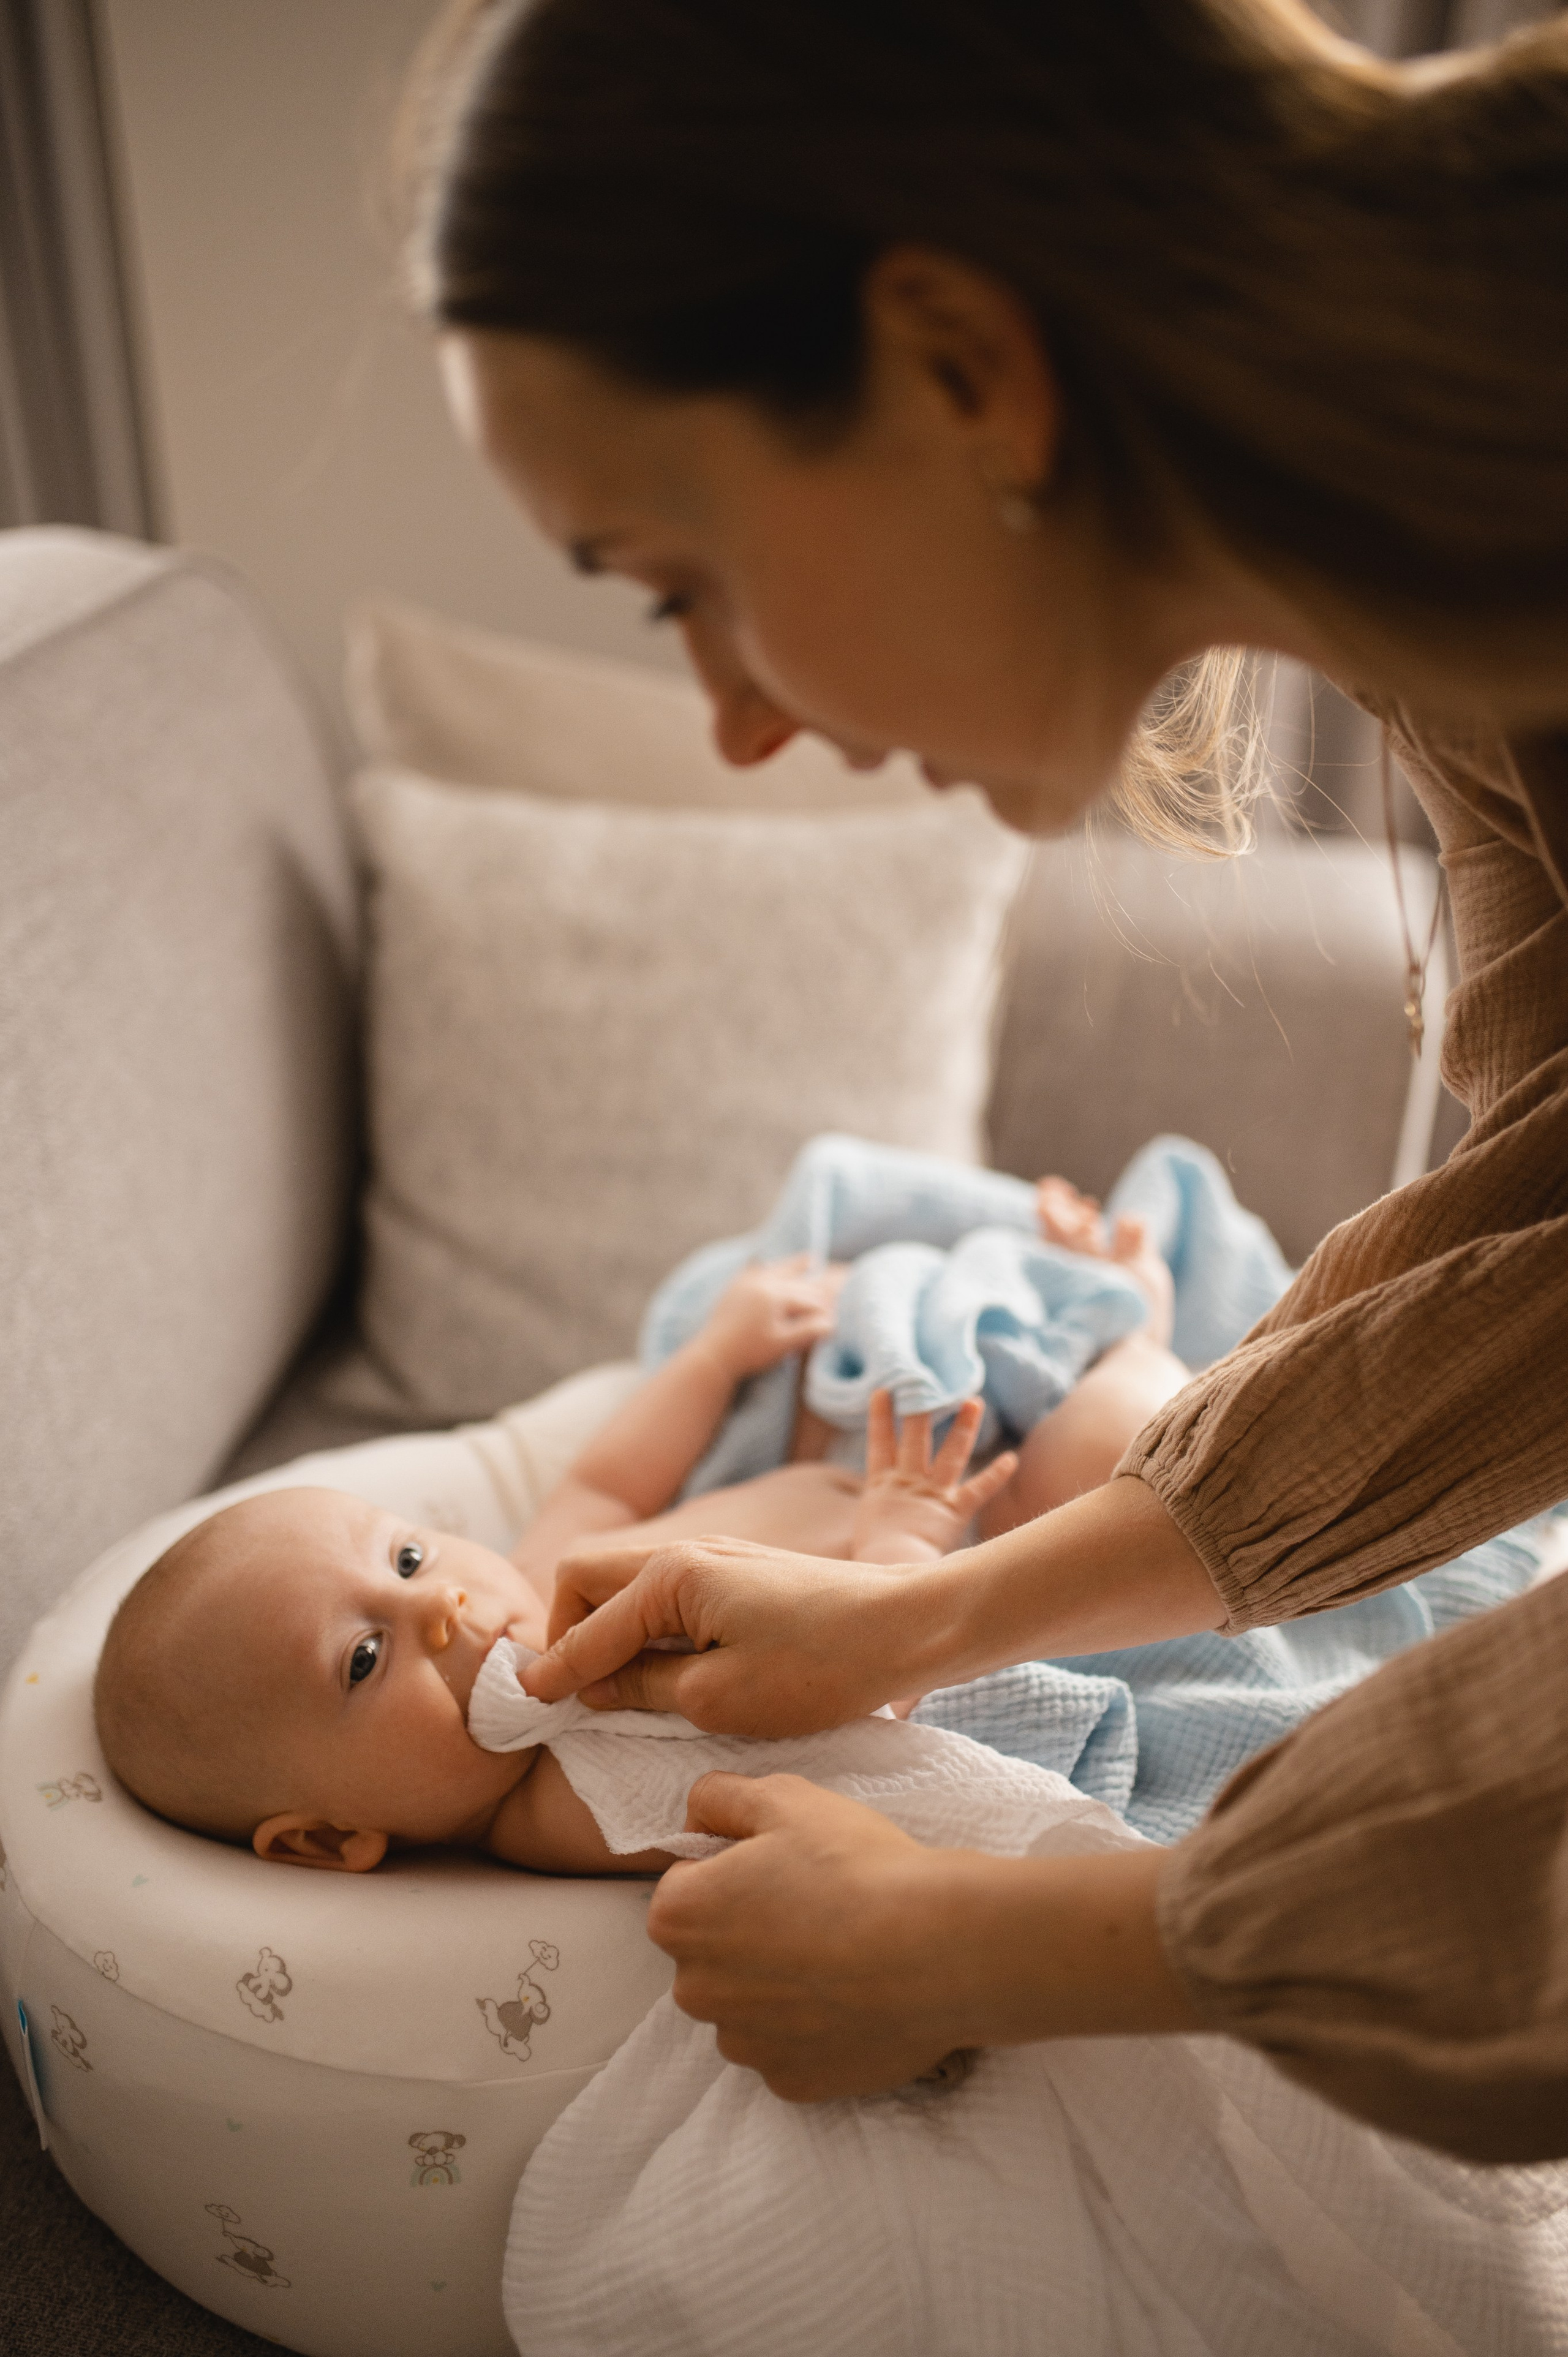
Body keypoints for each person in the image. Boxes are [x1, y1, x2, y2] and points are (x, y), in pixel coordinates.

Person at [402, 0, 1568, 2160]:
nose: (736, 724)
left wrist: (986, 1945)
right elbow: (1544, 1248)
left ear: (962, 371)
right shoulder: (1465, 619)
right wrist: (916, 1617)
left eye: (686, 586)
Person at [93, 1216, 1183, 1874]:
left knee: (867, 1326)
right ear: (332, 1839)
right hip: (965, 1581)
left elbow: (607, 1484)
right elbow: (864, 1726)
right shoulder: (583, 1796)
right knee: (1108, 1453)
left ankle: (1087, 1308)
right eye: (364, 1660)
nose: (437, 1607)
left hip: (905, 1491)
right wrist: (901, 1535)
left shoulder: (536, 1585)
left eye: (409, 1559)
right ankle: (1146, 1326)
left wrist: (713, 1359)